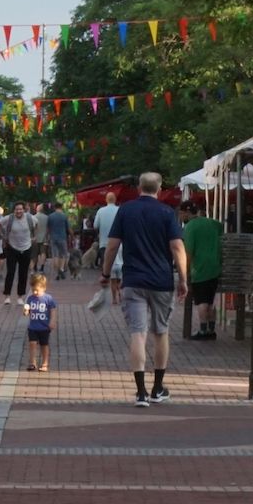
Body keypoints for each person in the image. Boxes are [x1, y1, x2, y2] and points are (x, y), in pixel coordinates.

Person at [100, 172, 188, 409]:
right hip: (161, 281)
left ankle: (140, 392)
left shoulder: (125, 211)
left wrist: (106, 275)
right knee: (161, 332)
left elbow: (112, 246)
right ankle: (158, 388)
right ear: (159, 189)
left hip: (133, 280)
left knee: (138, 334)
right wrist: (183, 278)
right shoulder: (167, 213)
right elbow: (177, 247)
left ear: (139, 187)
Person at [180, 200, 223, 340]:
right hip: (215, 267)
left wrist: (185, 273)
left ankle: (203, 331)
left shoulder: (190, 227)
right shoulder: (213, 223)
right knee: (211, 301)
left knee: (201, 302)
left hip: (199, 268)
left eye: (181, 213)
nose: (180, 216)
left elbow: (188, 253)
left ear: (187, 212)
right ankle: (212, 329)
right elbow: (222, 228)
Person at [0, 202, 35, 305]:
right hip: (12, 248)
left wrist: (33, 237)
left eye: (20, 209)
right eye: (16, 209)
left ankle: (20, 296)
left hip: (26, 248)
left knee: (23, 273)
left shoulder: (30, 218)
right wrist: (3, 236)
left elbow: (36, 225)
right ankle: (7, 296)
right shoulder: (9, 218)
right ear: (14, 210)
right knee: (10, 272)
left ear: (24, 210)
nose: (18, 211)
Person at [22, 273, 57, 371]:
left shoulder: (48, 299)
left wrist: (52, 320)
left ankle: (45, 363)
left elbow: (53, 310)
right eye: (33, 290)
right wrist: (25, 311)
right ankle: (32, 362)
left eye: (37, 290)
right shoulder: (30, 299)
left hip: (44, 327)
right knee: (32, 343)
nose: (35, 292)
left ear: (43, 288)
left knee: (44, 345)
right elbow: (27, 312)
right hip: (33, 326)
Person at [93, 191, 123, 303]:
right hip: (119, 244)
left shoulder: (101, 211)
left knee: (107, 270)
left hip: (104, 244)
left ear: (106, 200)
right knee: (120, 269)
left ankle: (111, 296)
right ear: (115, 200)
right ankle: (119, 292)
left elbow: (95, 225)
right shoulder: (120, 210)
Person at [45, 204, 71, 279]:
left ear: (54, 208)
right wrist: (71, 236)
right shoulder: (64, 216)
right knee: (62, 255)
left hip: (53, 238)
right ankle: (61, 269)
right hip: (62, 237)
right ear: (61, 207)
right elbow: (68, 228)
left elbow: (48, 228)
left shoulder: (50, 216)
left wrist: (46, 237)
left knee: (55, 255)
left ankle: (57, 272)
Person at [29, 203, 49, 274]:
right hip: (44, 238)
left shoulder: (33, 217)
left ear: (37, 209)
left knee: (34, 254)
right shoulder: (47, 217)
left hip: (34, 238)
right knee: (43, 253)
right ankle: (42, 268)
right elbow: (48, 228)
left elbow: (31, 228)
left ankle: (34, 268)